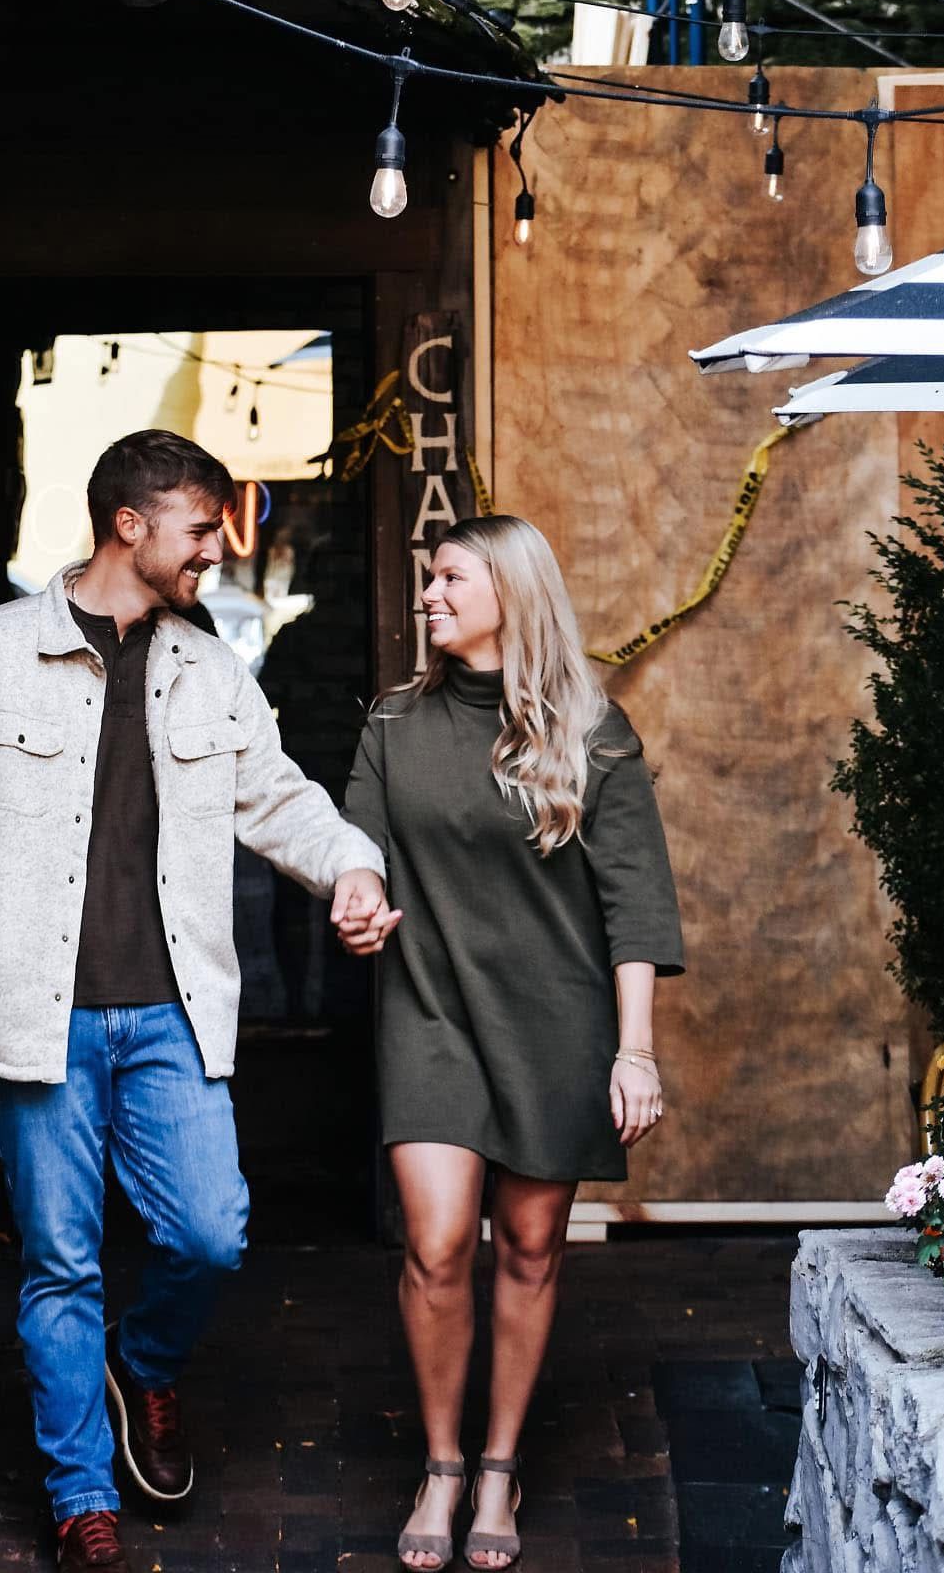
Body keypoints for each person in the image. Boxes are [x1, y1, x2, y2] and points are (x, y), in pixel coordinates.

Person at [0, 429, 395, 1573]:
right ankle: (80, 1497)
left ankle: (145, 1363)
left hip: (172, 1012)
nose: (215, 549)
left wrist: (352, 865)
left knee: (211, 1231)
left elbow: (278, 796)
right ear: (132, 524)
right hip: (35, 1012)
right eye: (201, 529)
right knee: (60, 1260)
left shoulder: (209, 665)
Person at [340, 515, 684, 1570]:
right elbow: (358, 841)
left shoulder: (592, 731)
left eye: (450, 577)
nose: (429, 593)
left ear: (510, 591)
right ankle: (442, 1462)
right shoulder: (393, 722)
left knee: (530, 1249)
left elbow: (635, 904)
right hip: (432, 1012)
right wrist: (355, 893)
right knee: (438, 1242)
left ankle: (500, 1462)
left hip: (556, 1024)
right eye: (427, 577)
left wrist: (634, 1051)